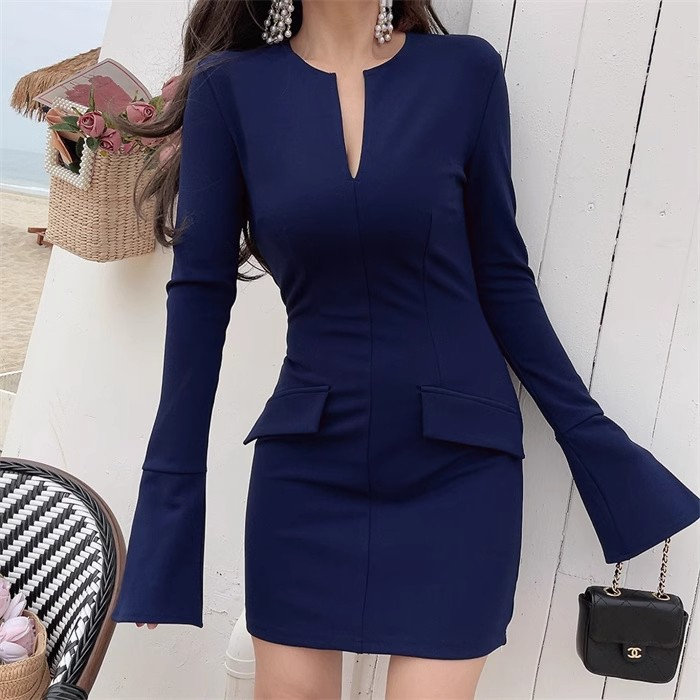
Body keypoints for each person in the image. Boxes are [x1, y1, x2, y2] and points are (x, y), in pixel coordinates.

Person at [109, 1, 700, 698]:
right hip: (307, 470)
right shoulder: (228, 89)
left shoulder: (466, 74)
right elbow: (199, 300)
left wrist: (602, 452)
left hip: (459, 469)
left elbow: (502, 278)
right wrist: (165, 523)